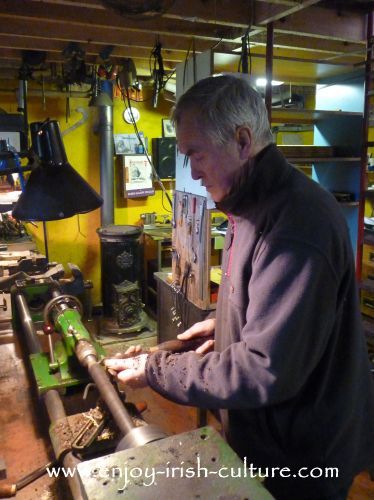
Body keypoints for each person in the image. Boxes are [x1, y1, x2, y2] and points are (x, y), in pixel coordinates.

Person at [105, 74, 374, 499]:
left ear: (243, 141)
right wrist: (223, 322)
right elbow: (273, 304)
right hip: (268, 437)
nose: (191, 170)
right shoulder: (245, 203)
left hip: (305, 453)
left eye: (197, 153)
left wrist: (156, 370)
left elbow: (264, 371)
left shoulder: (296, 224)